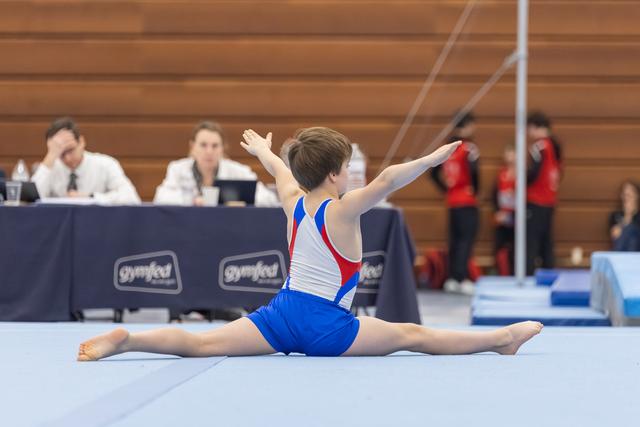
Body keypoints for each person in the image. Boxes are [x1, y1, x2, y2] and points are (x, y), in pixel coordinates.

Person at [77, 127, 542, 361]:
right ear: (336, 174)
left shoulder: (293, 202)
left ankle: (132, 339)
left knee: (203, 344)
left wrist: (262, 151)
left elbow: (280, 171)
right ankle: (502, 340)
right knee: (411, 335)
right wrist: (433, 158)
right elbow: (386, 179)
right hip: (329, 328)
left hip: (280, 315)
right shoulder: (343, 210)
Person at [153, 121, 279, 206]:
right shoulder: (177, 169)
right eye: (203, 145)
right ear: (192, 147)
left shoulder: (239, 171)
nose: (209, 151)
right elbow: (160, 198)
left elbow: (269, 200)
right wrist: (192, 201)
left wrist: (242, 201)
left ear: (222, 148)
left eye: (215, 146)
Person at [31, 117, 141, 205]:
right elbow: (30, 201)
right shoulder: (50, 167)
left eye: (70, 150)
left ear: (82, 142)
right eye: (61, 153)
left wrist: (91, 198)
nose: (68, 158)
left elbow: (131, 198)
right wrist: (50, 156)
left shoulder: (105, 164)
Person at [429, 111, 479, 294]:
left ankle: (452, 277)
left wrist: (446, 189)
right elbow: (474, 172)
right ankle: (461, 277)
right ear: (466, 126)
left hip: (452, 201)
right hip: (466, 199)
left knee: (455, 240)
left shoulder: (447, 148)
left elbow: (433, 173)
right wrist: (475, 189)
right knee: (465, 239)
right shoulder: (469, 148)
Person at [526, 111, 562, 275]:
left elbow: (534, 173)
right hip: (549, 200)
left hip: (536, 199)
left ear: (534, 127)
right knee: (546, 240)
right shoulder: (555, 145)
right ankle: (549, 271)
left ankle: (528, 273)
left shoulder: (539, 146)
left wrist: (522, 181)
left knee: (531, 240)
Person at [493, 145, 516, 275]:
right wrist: (498, 212)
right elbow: (495, 193)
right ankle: (501, 272)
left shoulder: (523, 173)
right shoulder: (502, 173)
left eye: (512, 154)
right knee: (499, 246)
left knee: (515, 246)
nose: (510, 157)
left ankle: (515, 271)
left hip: (516, 215)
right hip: (502, 213)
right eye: (508, 154)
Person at [609, 180, 640, 251]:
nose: (628, 197)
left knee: (632, 231)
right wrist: (628, 215)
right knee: (629, 230)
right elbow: (615, 235)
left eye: (630, 195)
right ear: (622, 196)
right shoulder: (615, 215)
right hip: (621, 248)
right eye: (625, 194)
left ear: (637, 195)